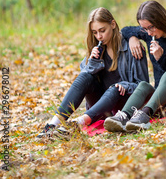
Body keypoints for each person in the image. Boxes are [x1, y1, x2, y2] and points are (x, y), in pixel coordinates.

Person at [37, 7, 149, 138]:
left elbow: (144, 86)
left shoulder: (132, 47)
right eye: (95, 32)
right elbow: (83, 82)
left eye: (102, 30)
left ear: (113, 24)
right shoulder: (97, 49)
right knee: (85, 75)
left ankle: (76, 124)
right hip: (100, 108)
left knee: (115, 89)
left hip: (124, 108)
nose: (99, 36)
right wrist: (92, 62)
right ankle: (53, 124)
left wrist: (125, 85)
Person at [104, 0, 166, 132]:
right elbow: (126, 30)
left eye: (151, 27)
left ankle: (144, 115)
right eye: (144, 28)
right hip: (164, 102)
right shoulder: (149, 34)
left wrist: (162, 58)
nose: (148, 33)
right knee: (143, 85)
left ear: (161, 21)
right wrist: (133, 38)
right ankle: (123, 116)